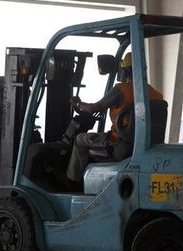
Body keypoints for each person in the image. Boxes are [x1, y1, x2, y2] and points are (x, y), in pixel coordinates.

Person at [65, 52, 164, 184]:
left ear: (126, 70)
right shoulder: (156, 94)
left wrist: (78, 103)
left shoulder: (121, 89)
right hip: (145, 144)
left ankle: (72, 183)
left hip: (119, 143)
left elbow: (94, 107)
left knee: (79, 140)